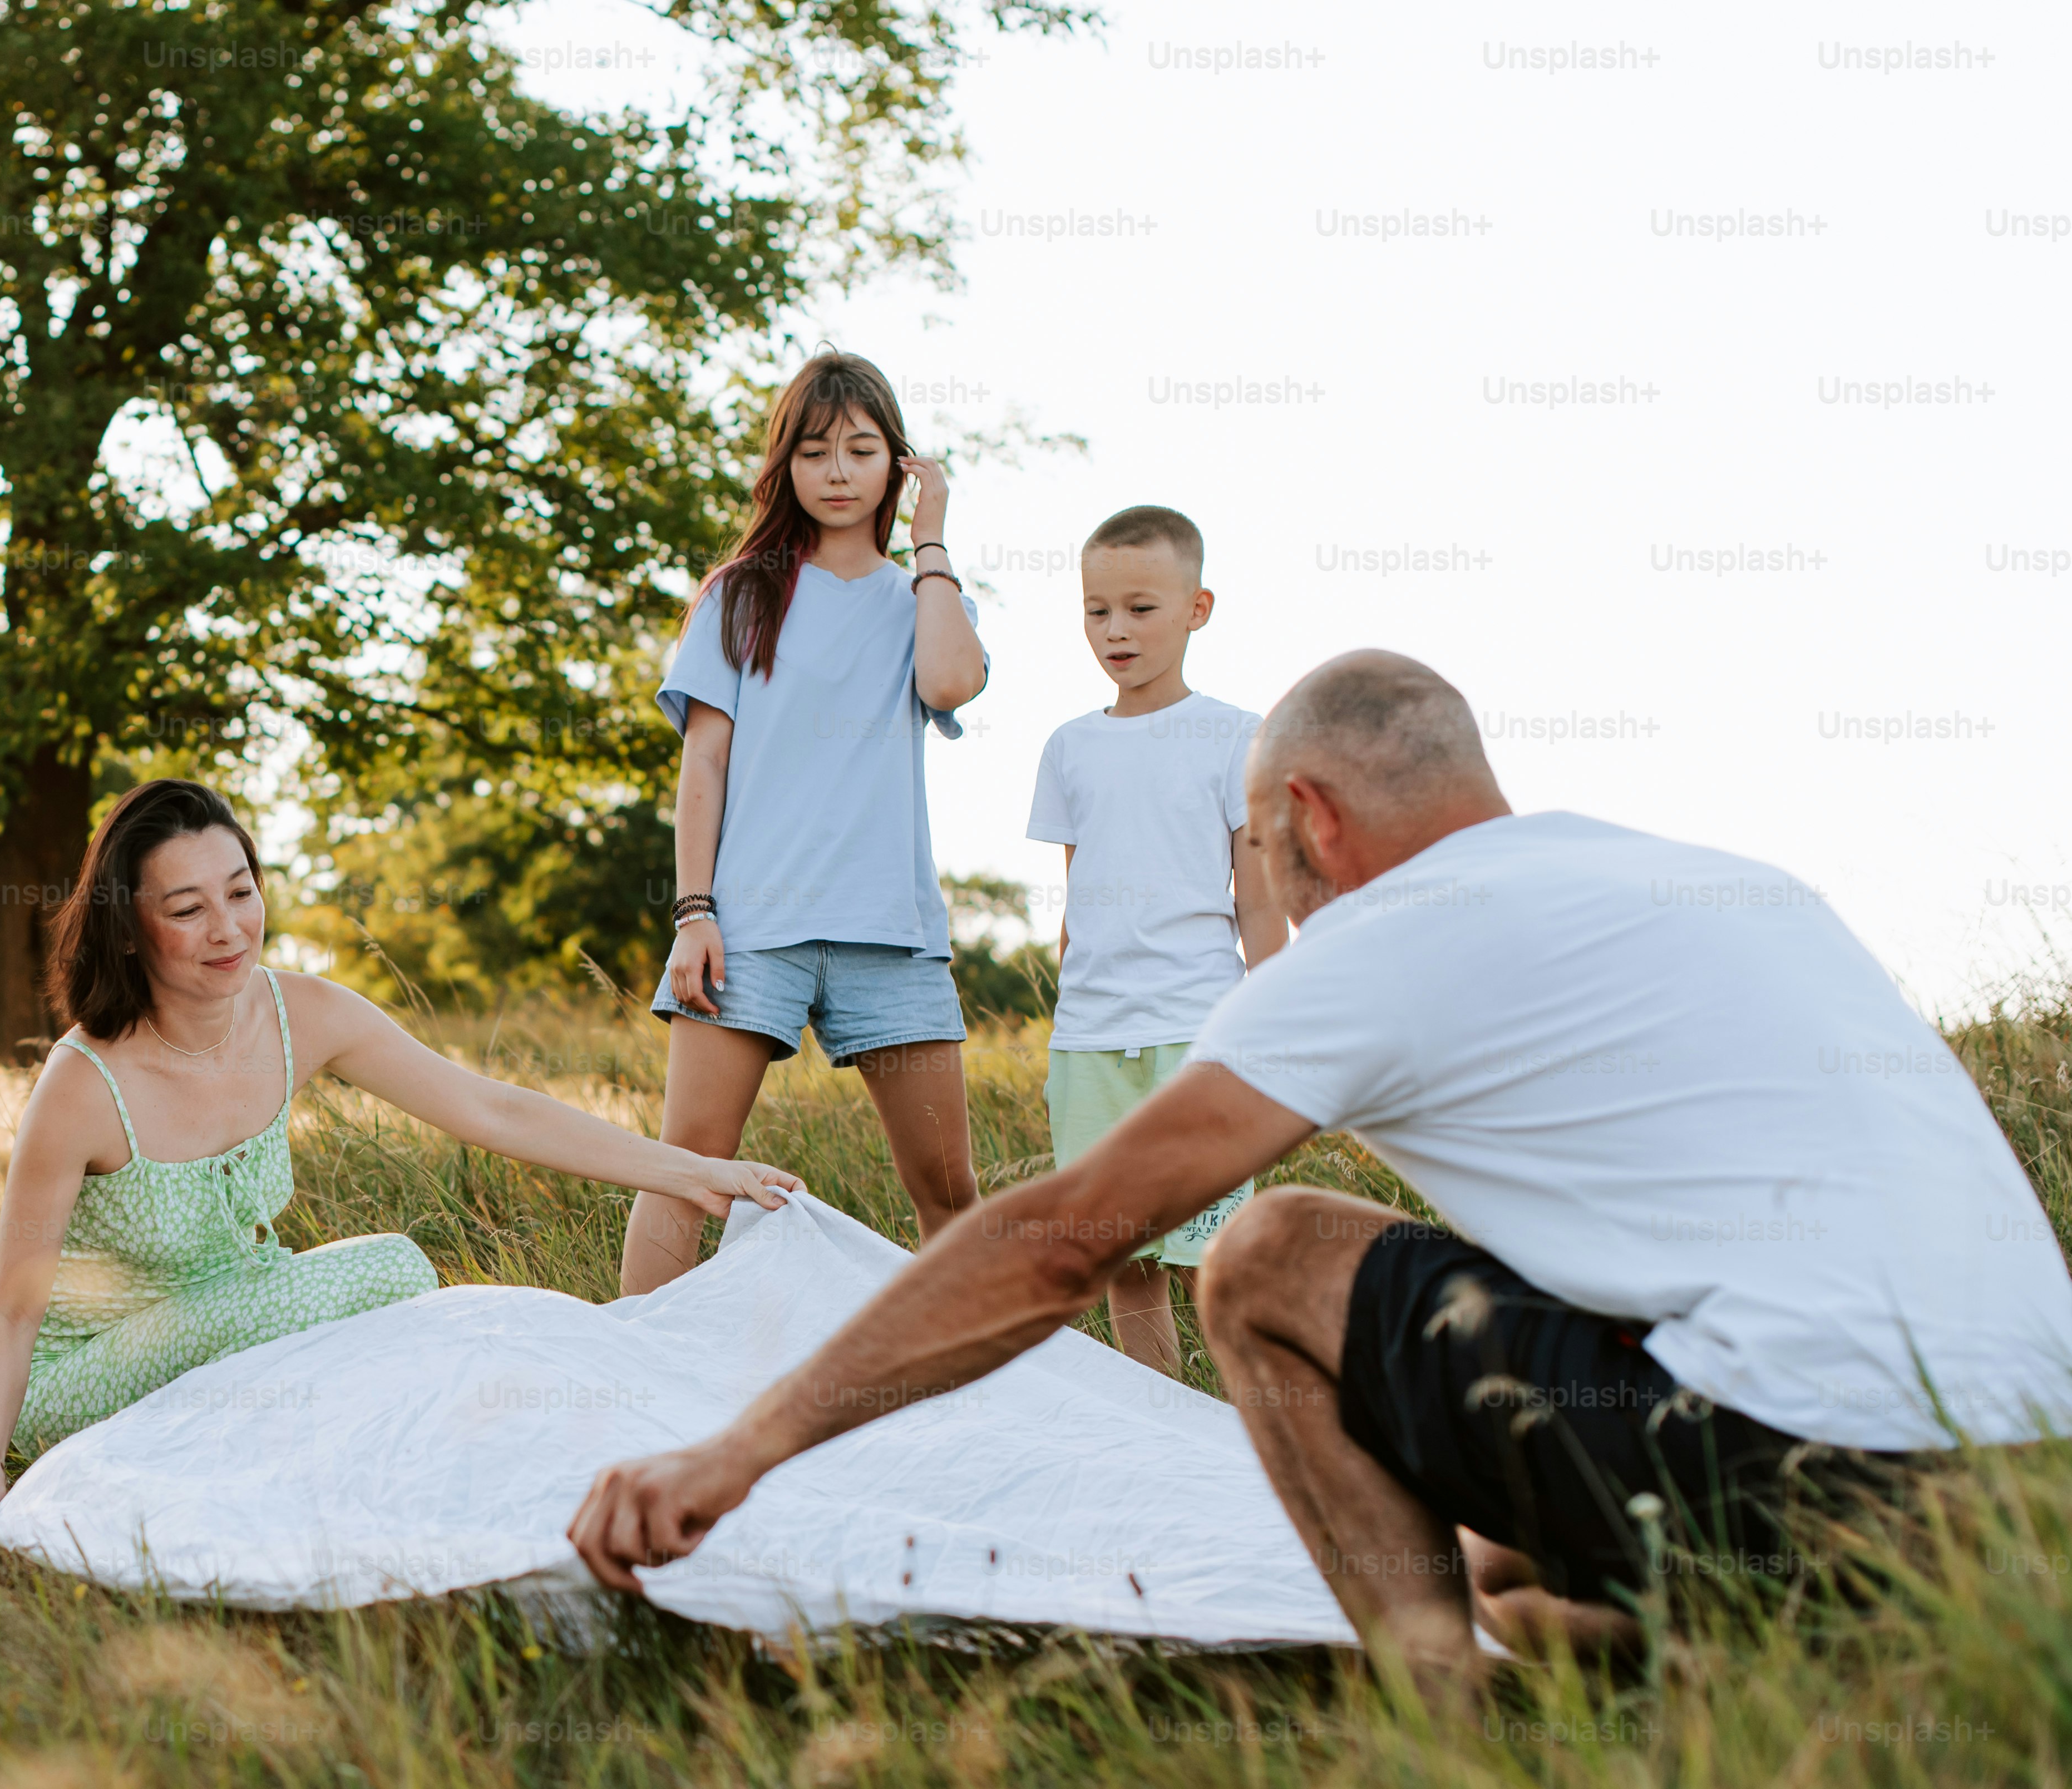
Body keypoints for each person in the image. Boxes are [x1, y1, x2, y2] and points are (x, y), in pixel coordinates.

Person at [568, 650, 2072, 1695]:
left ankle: (1436, 1727)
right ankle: (1763, 1639)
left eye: (1255, 844)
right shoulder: (1720, 882)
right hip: (2014, 1495)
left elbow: (1058, 1243)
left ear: (1310, 823)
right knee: (1503, 1579)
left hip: (1786, 1461)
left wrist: (739, 1453)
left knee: (1268, 1252)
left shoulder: (1381, 934)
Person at [0, 779, 801, 1514]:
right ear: (128, 929)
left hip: (250, 1321)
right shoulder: (82, 1085)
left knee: (423, 1320)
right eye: (187, 909)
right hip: (86, 1370)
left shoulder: (301, 1013)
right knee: (391, 1271)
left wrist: (697, 1173)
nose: (229, 929)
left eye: (241, 892)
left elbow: (491, 1110)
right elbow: (12, 1305)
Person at [616, 352, 994, 1298]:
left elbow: (952, 684)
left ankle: (981, 1386)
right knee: (688, 1168)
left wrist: (932, 539)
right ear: (786, 465)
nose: (837, 471)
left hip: (891, 934)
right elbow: (703, 761)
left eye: (862, 450)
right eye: (816, 451)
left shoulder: (924, 600)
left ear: (896, 467)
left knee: (948, 1187)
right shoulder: (742, 594)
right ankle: (619, 1380)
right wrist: (694, 913)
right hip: (751, 928)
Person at [1028, 504, 1285, 1375]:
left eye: (1141, 607)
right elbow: (1077, 903)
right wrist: (1067, 1028)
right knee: (1123, 1259)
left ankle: (1256, 1442)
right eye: (1097, 610)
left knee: (1215, 1257)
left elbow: (1260, 902)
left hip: (1199, 1034)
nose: (1115, 630)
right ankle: (1167, 1440)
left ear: (1197, 609)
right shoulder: (1070, 748)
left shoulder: (1235, 736)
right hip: (1092, 1042)